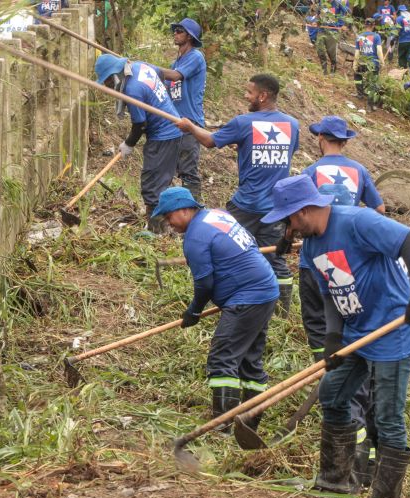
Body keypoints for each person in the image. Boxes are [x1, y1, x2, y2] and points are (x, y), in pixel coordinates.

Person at [262, 175, 410, 498]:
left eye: (289, 219)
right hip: (356, 331)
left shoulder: (357, 221)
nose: (287, 228)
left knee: (387, 417)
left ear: (304, 211)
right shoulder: (310, 245)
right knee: (334, 395)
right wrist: (333, 337)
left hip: (394, 329)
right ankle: (335, 480)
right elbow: (328, 292)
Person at [285, 116, 385, 490]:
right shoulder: (359, 170)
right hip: (351, 261)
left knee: (323, 328)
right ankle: (339, 379)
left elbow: (297, 213)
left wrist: (288, 240)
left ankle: (331, 374)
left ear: (323, 139)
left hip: (316, 262)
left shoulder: (311, 171)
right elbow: (378, 211)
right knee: (348, 323)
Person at [153, 187, 279, 429]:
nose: (170, 224)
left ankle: (222, 426)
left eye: (169, 217)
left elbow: (204, 283)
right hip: (266, 290)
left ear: (183, 210)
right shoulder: (217, 215)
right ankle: (250, 423)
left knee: (222, 359)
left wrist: (194, 311)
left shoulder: (196, 237)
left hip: (247, 298)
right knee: (250, 359)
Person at [177, 74, 300, 315]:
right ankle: (283, 313)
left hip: (247, 205)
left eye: (249, 92)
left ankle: (228, 297)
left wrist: (190, 127)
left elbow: (211, 141)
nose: (246, 96)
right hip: (277, 207)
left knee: (223, 246)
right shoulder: (292, 125)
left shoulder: (244, 122)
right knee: (276, 259)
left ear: (262, 96)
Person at [94, 54, 183, 233]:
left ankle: (156, 231)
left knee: (152, 186)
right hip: (171, 129)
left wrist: (128, 144)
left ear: (115, 75)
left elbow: (140, 125)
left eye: (108, 82)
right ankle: (164, 224)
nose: (108, 87)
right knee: (159, 183)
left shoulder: (132, 90)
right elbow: (159, 73)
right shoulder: (139, 66)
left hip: (163, 136)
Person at [157, 18, 207, 201]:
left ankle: (196, 212)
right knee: (169, 169)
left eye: (179, 31)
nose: (175, 33)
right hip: (175, 123)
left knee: (188, 171)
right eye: (175, 30)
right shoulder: (176, 62)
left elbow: (176, 77)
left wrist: (152, 69)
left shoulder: (195, 57)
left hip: (190, 122)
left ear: (190, 36)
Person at [353, 18, 385, 108]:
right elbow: (379, 51)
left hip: (362, 62)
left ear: (365, 25)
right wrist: (382, 62)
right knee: (373, 82)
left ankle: (360, 94)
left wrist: (355, 64)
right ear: (373, 25)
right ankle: (370, 103)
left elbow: (357, 52)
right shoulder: (376, 36)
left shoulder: (360, 37)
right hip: (373, 63)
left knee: (357, 75)